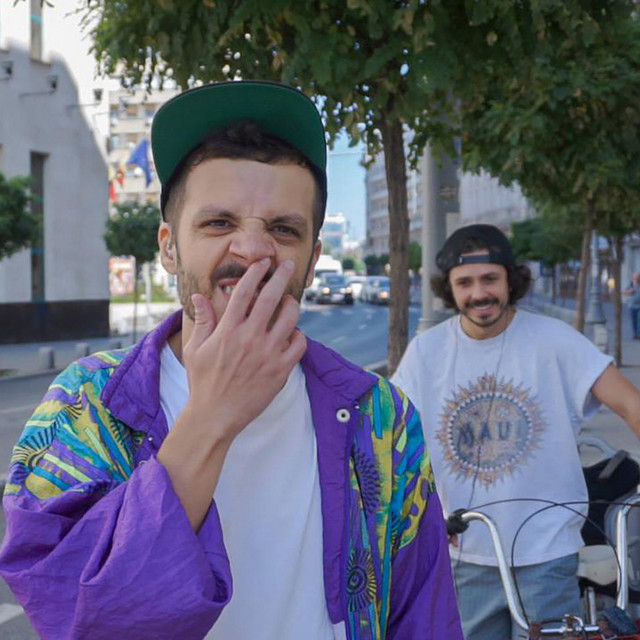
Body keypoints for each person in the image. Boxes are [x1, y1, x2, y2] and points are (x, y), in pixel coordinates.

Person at [0, 81, 462, 640]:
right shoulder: (86, 403)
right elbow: (80, 617)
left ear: (312, 258)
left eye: (283, 229)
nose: (253, 250)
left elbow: (426, 617)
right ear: (169, 247)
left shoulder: (382, 417)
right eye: (219, 223)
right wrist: (213, 414)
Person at [391, 224, 640, 640]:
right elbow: (391, 437)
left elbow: (631, 404)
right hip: (464, 553)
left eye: (490, 278)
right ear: (449, 288)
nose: (479, 293)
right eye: (465, 283)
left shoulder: (555, 340)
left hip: (547, 553)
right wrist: (416, 512)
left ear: (511, 279)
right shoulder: (426, 352)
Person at [623, 272, 640, 339]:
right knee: (634, 321)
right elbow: (624, 292)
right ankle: (635, 334)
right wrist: (629, 291)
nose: (636, 279)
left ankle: (638, 334)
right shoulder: (631, 284)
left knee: (639, 320)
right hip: (632, 305)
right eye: (635, 277)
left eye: (637, 277)